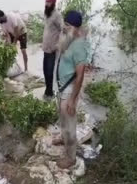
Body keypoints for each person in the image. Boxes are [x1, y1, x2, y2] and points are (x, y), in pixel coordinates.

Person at [54, 10, 89, 169]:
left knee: (70, 124)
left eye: (68, 26)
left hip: (70, 89)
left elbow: (80, 75)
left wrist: (73, 99)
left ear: (75, 27)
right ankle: (63, 138)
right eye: (64, 24)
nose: (64, 27)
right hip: (62, 87)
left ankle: (71, 157)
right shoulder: (68, 40)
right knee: (62, 118)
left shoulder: (79, 45)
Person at [42, 0, 63, 100]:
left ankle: (49, 92)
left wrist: (57, 45)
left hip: (52, 49)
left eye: (49, 1)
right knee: (45, 70)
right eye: (46, 1)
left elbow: (62, 30)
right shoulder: (46, 13)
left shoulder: (57, 15)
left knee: (50, 71)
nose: (46, 3)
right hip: (45, 48)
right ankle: (48, 89)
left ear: (54, 3)